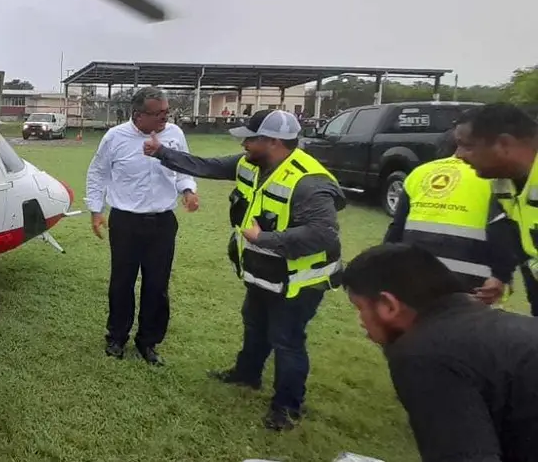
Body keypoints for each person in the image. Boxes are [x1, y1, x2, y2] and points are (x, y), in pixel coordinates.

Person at [143, 109, 346, 431]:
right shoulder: (251, 164)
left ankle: (287, 406)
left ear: (274, 142)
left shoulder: (310, 182)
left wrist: (263, 238)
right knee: (254, 325)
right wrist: (163, 153)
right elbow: (206, 166)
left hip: (298, 282)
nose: (244, 145)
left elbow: (323, 234)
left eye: (251, 139)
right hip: (264, 272)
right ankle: (247, 374)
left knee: (287, 340)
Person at [339, 243, 538, 462]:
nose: (361, 321)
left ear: (389, 305)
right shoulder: (502, 326)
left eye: (360, 308)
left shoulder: (422, 354)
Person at [85, 87, 198, 366]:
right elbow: (98, 173)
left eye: (166, 112)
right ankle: (117, 337)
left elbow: (183, 167)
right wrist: (96, 210)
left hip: (162, 222)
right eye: (158, 113)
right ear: (138, 114)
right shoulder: (115, 137)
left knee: (157, 286)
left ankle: (148, 342)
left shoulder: (174, 135)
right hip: (126, 221)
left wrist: (188, 190)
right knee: (122, 282)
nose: (165, 117)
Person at [384, 126, 519, 305]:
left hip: (414, 277)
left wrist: (383, 268)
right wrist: (502, 275)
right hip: (472, 284)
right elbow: (504, 231)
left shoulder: (420, 173)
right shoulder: (495, 178)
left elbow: (396, 229)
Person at [453, 102, 538, 316]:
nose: (458, 155)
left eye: (467, 145)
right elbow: (507, 230)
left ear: (504, 143)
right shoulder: (503, 183)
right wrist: (501, 274)